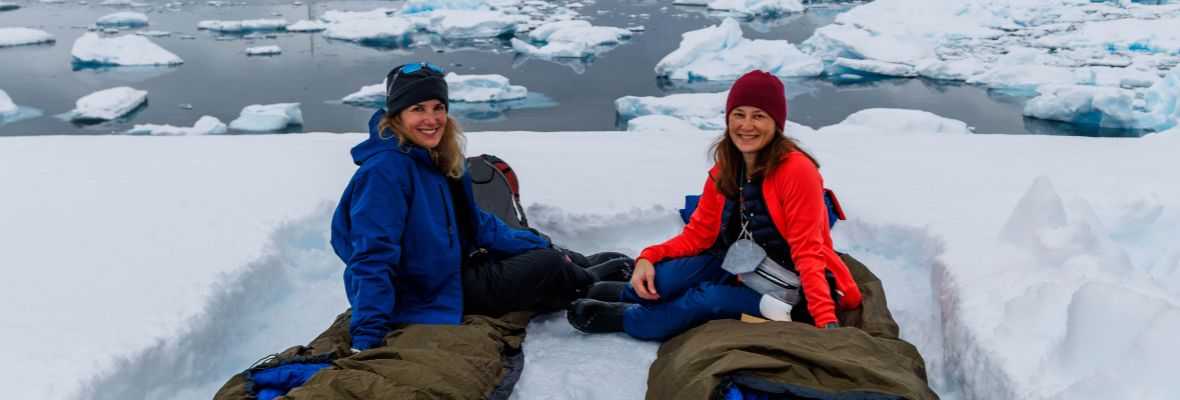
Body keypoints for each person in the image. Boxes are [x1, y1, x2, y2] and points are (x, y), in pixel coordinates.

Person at [331, 61, 632, 351]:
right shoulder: (385, 171)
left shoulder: (431, 157)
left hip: (448, 267)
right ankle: (585, 282)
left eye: (438, 108)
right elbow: (371, 256)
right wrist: (367, 334)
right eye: (418, 109)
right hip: (426, 291)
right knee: (546, 266)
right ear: (397, 115)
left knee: (540, 251)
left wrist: (542, 243)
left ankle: (574, 262)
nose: (431, 119)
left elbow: (476, 222)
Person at [567, 70, 863, 341]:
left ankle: (633, 319)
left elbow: (808, 251)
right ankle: (632, 292)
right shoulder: (726, 168)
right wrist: (648, 257)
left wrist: (824, 319)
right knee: (665, 278)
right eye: (739, 114)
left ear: (776, 123)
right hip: (738, 265)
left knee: (705, 298)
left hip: (787, 287)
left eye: (759, 116)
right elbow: (698, 234)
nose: (746, 126)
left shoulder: (797, 171)